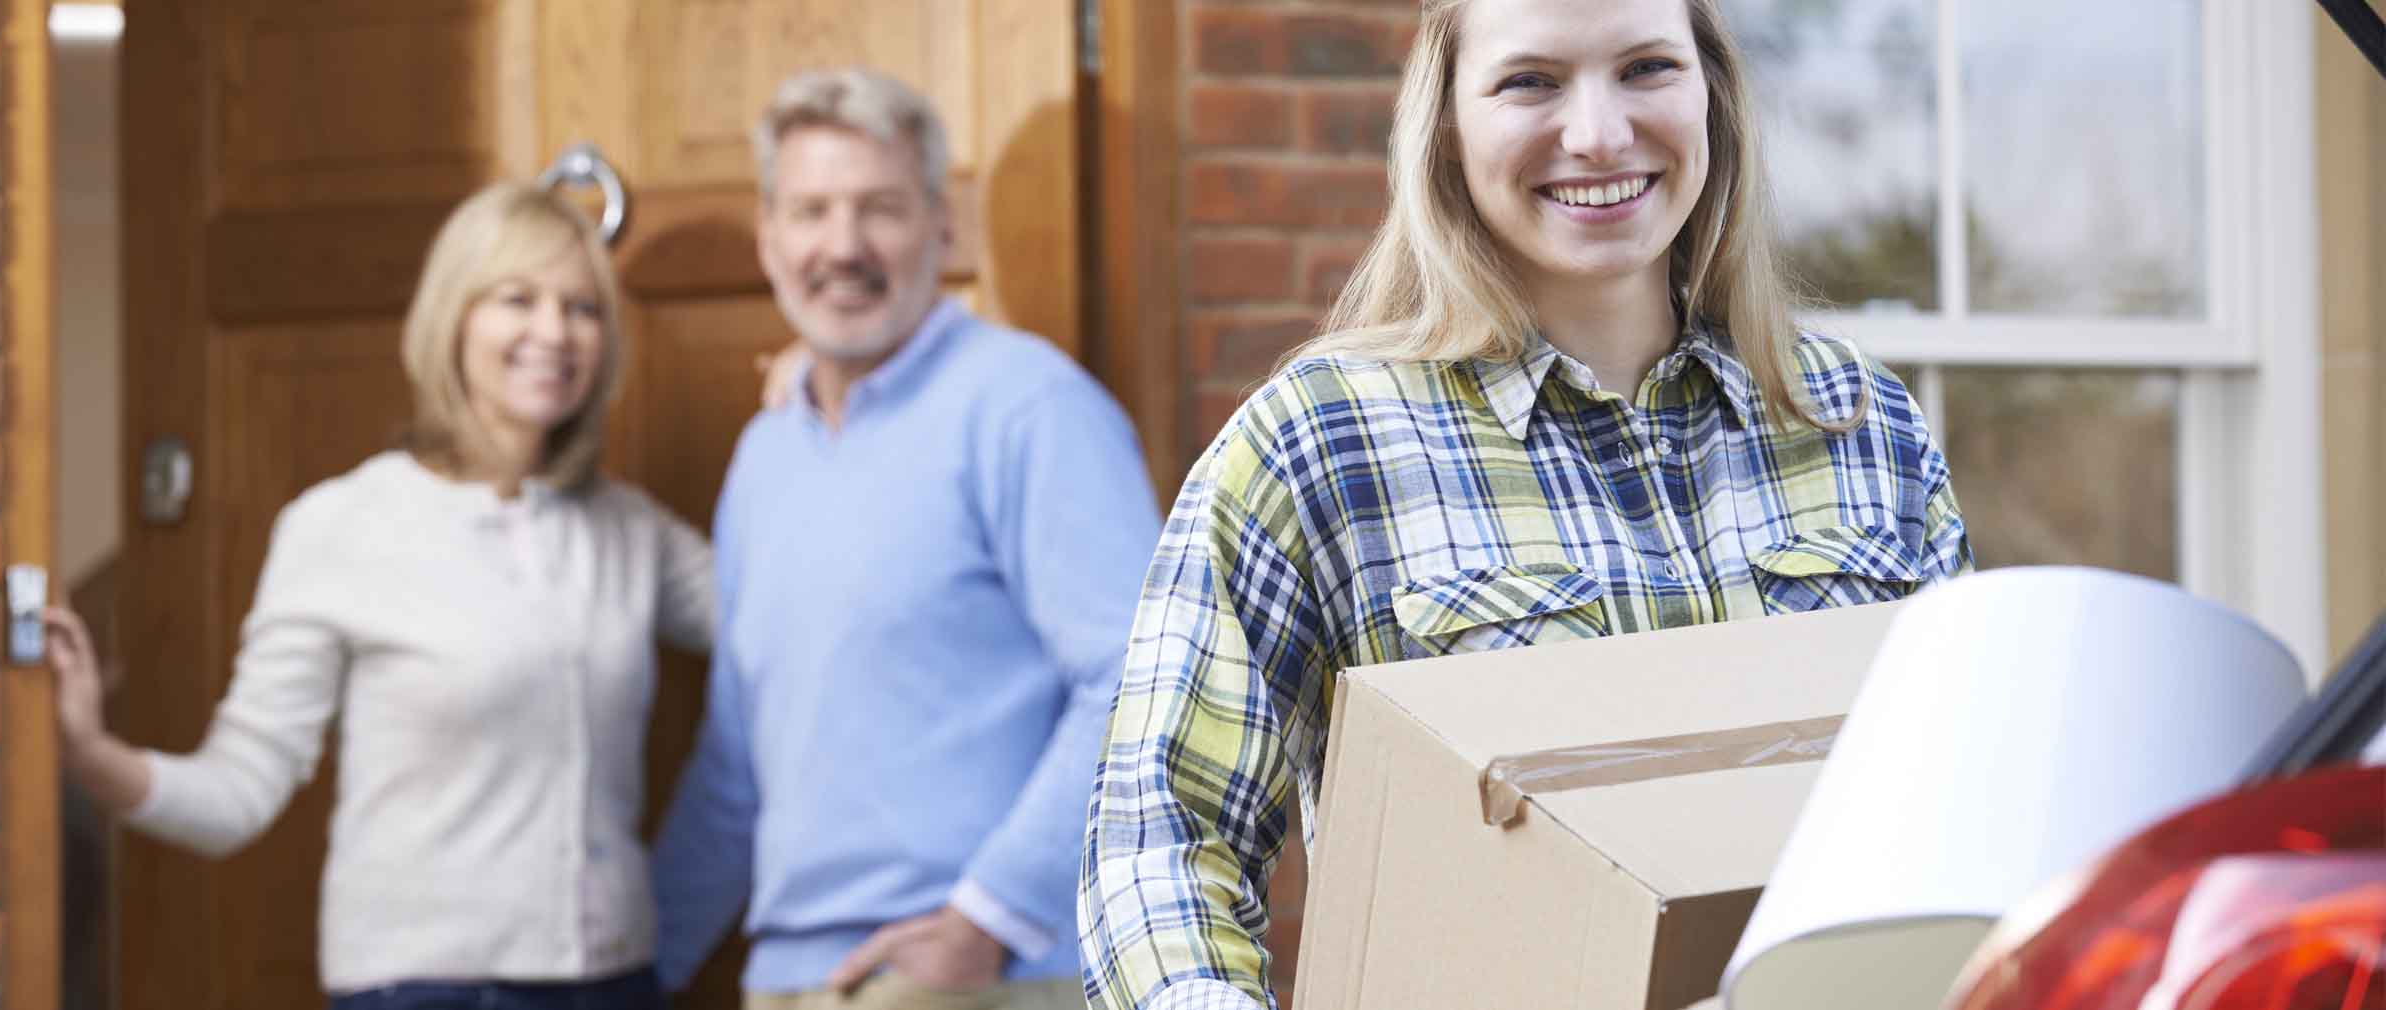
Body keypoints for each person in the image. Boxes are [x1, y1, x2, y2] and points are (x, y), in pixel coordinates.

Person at [1076, 0, 1974, 1006]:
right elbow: (1161, 843)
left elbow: (1966, 806)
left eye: (1645, 68)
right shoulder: (1321, 443)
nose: (1598, 133)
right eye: (1530, 81)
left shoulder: (1859, 423)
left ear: (1711, 97)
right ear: (1447, 125)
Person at [43, 183, 711, 1010]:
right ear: (453, 320)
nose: (554, 332)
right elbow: (239, 790)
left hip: (615, 982)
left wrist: (821, 392)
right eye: (517, 299)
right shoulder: (342, 527)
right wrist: (88, 757)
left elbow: (796, 629)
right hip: (424, 990)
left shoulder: (630, 531)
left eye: (582, 308)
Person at [650, 68, 1159, 1010]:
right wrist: (644, 969)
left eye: (879, 208)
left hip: (974, 979)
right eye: (811, 212)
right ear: (770, 238)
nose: (843, 247)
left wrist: (988, 920)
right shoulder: (764, 456)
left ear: (942, 227)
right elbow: (736, 761)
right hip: (786, 981)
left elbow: (1139, 678)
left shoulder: (1028, 406)